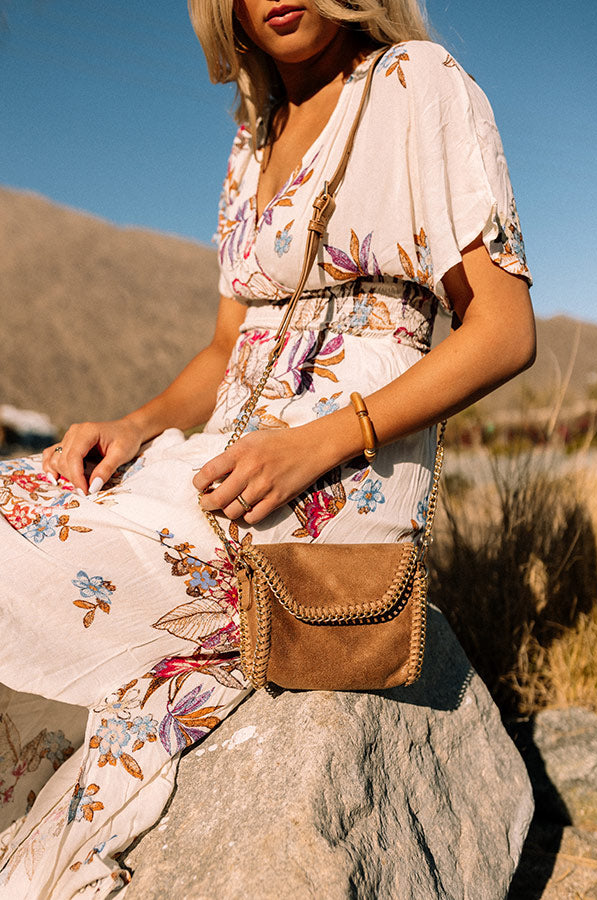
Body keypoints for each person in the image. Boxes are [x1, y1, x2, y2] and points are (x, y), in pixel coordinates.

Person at [0, 0, 535, 895]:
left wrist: (322, 442)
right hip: (220, 457)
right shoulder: (256, 137)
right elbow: (224, 348)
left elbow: (504, 330)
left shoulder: (416, 84)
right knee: (26, 490)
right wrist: (134, 427)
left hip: (331, 484)